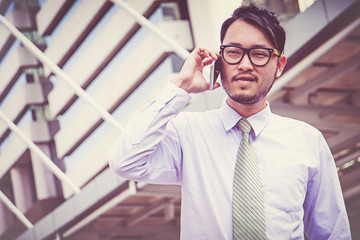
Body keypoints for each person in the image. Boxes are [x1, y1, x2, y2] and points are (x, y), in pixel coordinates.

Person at [109, 3, 351, 240]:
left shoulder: (307, 141)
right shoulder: (187, 132)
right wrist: (180, 86)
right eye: (233, 52)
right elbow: (125, 162)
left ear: (279, 65)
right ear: (220, 60)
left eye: (259, 54)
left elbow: (333, 232)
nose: (245, 65)